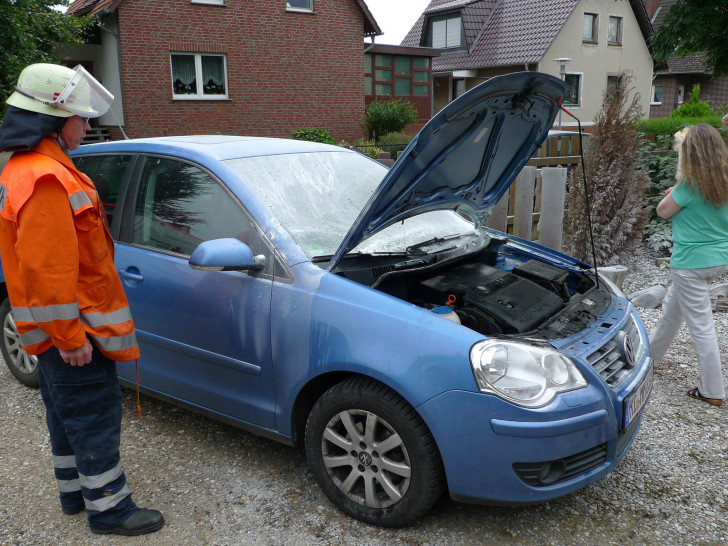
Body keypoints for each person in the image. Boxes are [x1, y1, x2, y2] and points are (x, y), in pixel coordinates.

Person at [0, 63, 164, 535]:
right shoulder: (47, 178)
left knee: (66, 414)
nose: (88, 124)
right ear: (54, 119)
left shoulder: (25, 169)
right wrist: (71, 337)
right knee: (92, 417)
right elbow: (49, 270)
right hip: (75, 333)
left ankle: (75, 493)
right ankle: (109, 510)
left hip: (56, 334)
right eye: (81, 117)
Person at [649, 123, 728, 407]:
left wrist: (674, 193)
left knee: (702, 327)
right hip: (717, 261)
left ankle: (712, 390)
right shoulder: (723, 183)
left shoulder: (689, 185)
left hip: (690, 265)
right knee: (672, 309)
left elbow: (662, 211)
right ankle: (649, 359)